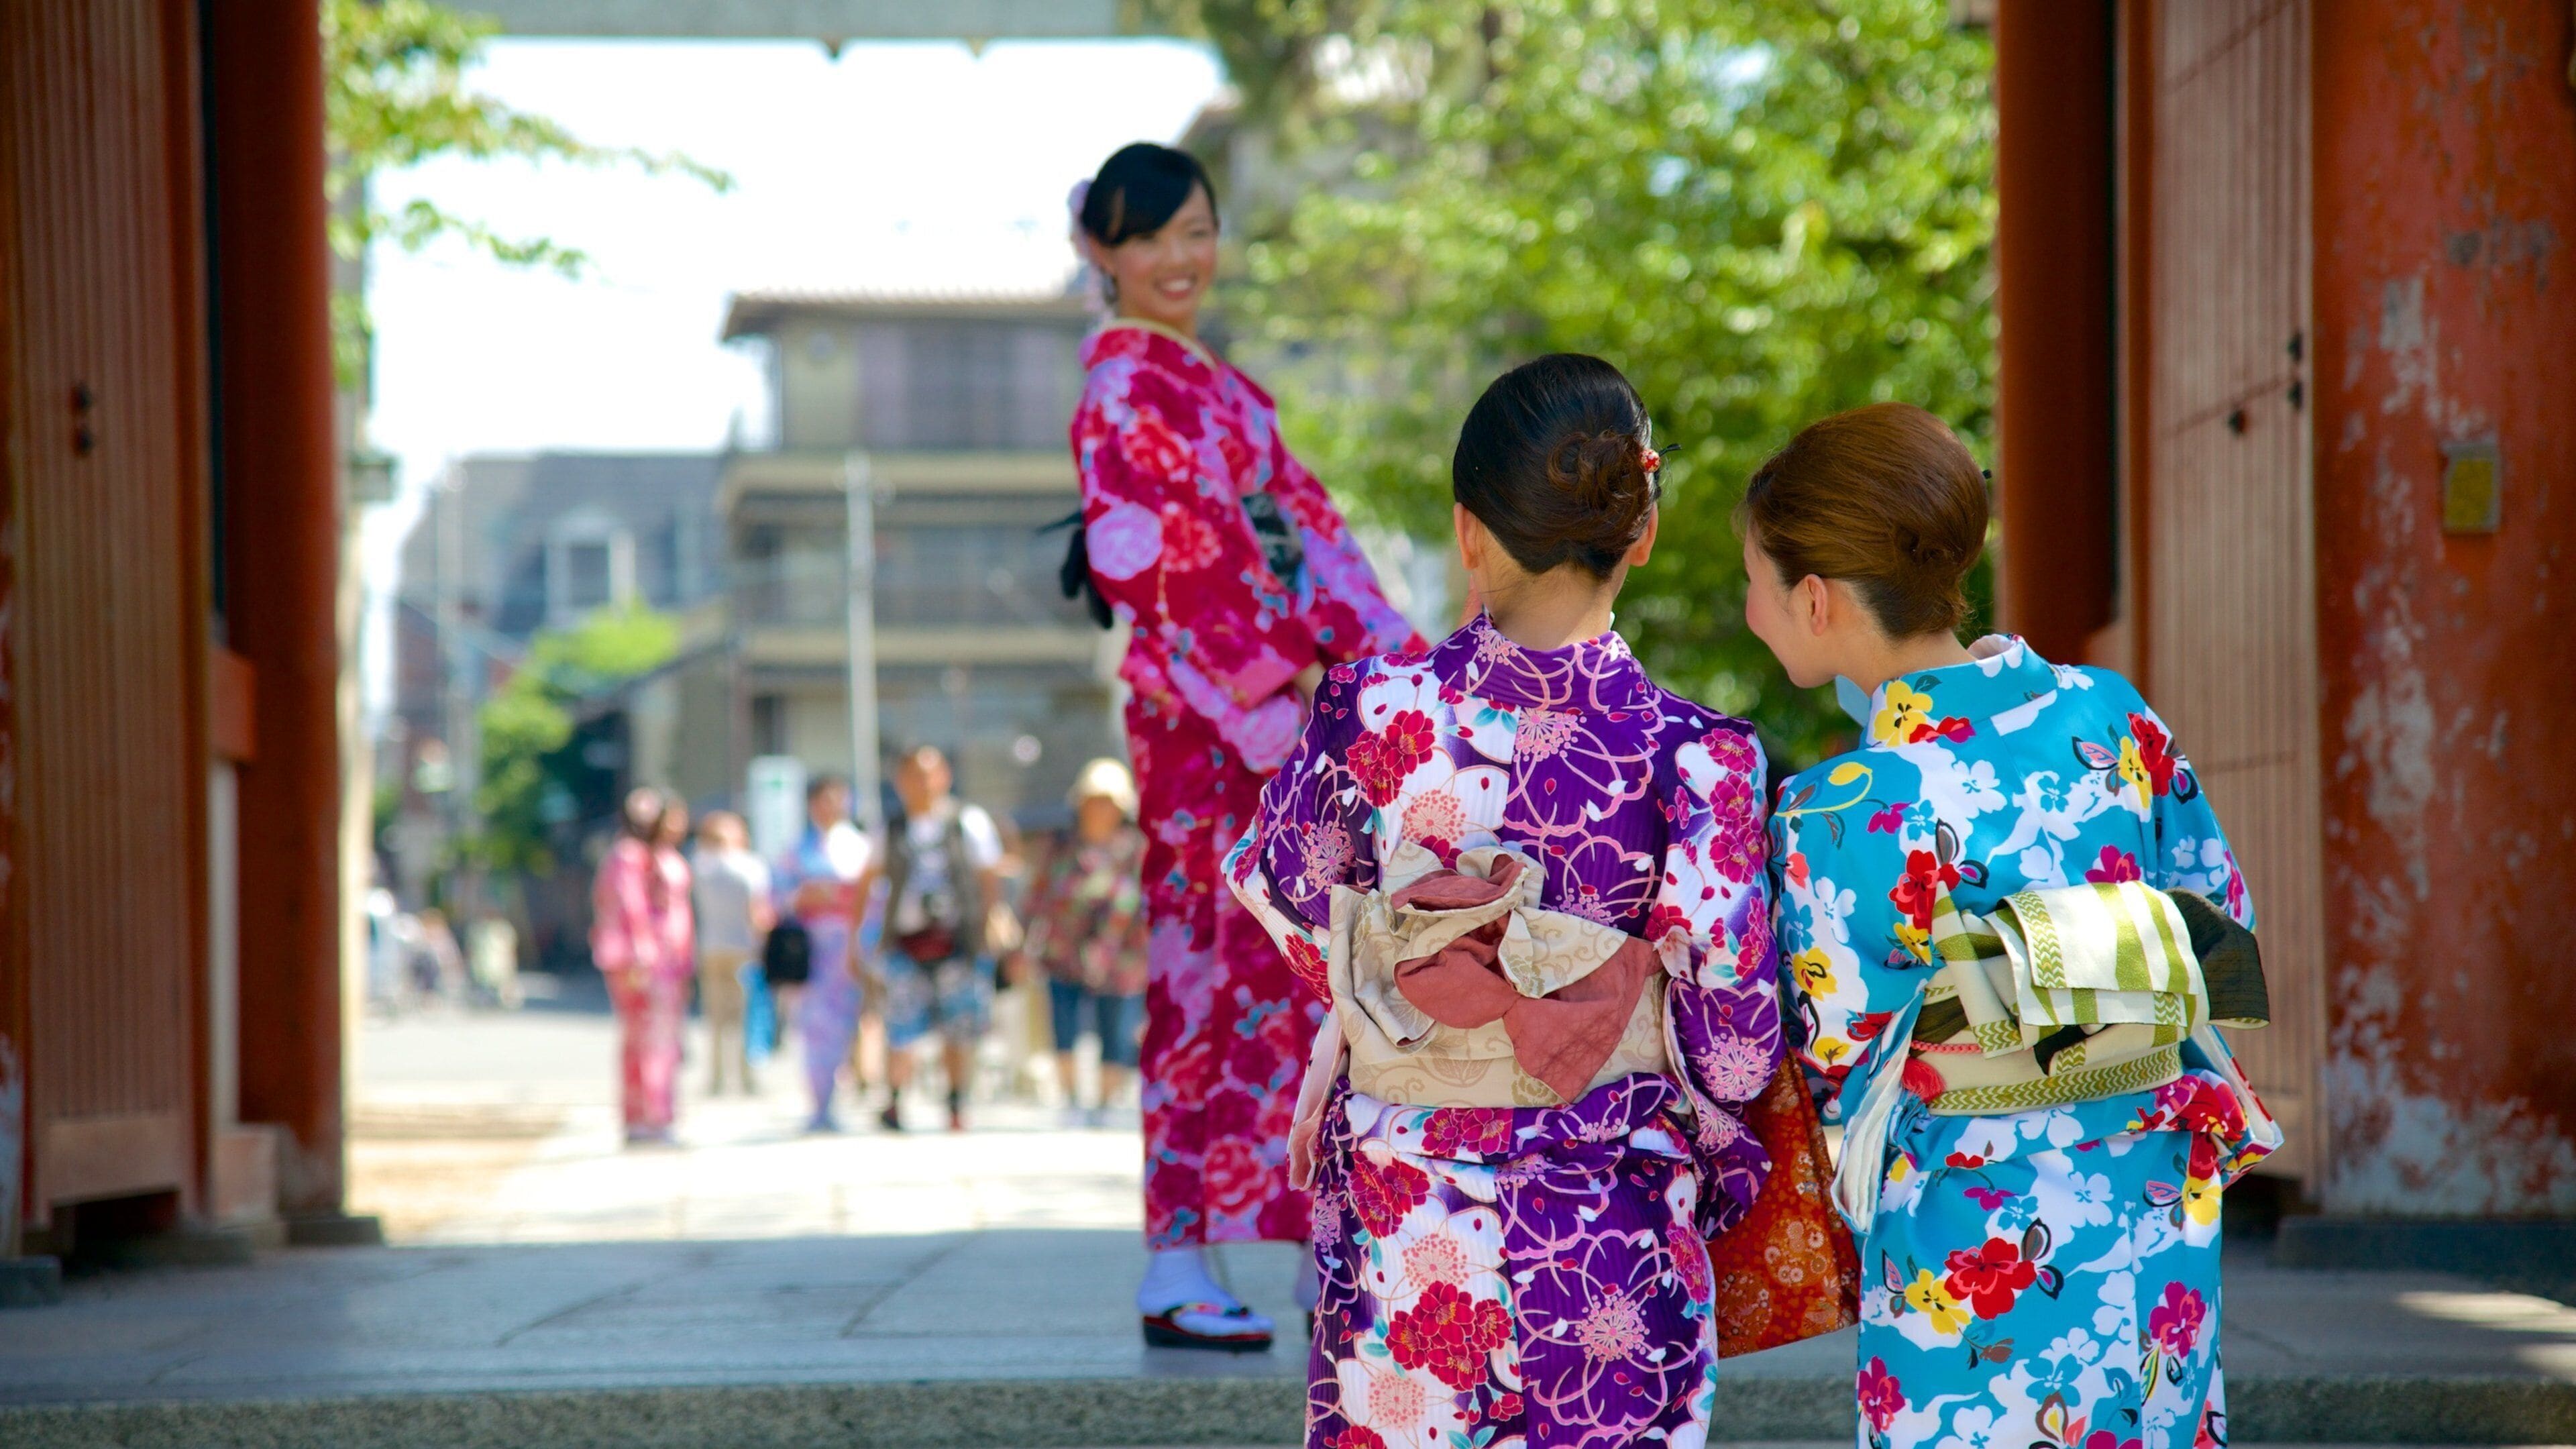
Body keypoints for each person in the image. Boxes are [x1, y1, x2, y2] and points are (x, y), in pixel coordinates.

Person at [1228, 354, 1785, 1440]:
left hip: (1410, 1220)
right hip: (1607, 1227)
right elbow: (1736, 1051)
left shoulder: (1372, 711)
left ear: (1468, 532)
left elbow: (1286, 890)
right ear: (1643, 532)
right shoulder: (1696, 756)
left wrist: (1391, 1008)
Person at [1744, 405, 2275, 1449]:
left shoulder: (1842, 808)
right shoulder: (2112, 719)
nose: (1750, 606)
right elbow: (2219, 920)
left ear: (1813, 600)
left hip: (1973, 1225)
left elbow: (1831, 1046)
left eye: (1756, 581)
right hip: (2146, 1194)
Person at [1069, 140, 1424, 1349]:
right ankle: (1177, 1256)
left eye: (1198, 230)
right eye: (1152, 236)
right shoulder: (1123, 390)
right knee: (1200, 976)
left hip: (1289, 724)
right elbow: (1167, 569)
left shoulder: (1215, 385)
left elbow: (1311, 531)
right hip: (1200, 726)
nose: (1181, 257)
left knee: (1297, 975)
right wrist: (1287, 685)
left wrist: (1395, 666)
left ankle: (1315, 1244)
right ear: (1100, 251)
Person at [878, 745, 1006, 1133]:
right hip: (906, 939)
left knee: (959, 1027)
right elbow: (870, 881)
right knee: (901, 1027)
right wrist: (859, 939)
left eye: (929, 773)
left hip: (958, 939)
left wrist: (988, 925)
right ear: (900, 781)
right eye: (913, 774)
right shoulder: (892, 826)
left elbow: (989, 878)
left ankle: (955, 1104)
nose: (922, 782)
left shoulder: (969, 822)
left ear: (945, 776)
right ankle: (895, 1101)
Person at [1017, 757, 1149, 1125]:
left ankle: (1106, 1104)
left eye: (1108, 801)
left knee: (1116, 1029)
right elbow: (1037, 897)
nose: (1100, 809)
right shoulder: (1060, 846)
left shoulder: (1135, 849)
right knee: (1065, 1025)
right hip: (1063, 952)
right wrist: (1022, 943)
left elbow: (1146, 902)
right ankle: (1072, 1099)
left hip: (1122, 957)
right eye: (1094, 799)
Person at [593, 788, 695, 1146]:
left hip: (666, 958)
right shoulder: (632, 856)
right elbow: (630, 909)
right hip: (649, 960)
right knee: (652, 1039)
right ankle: (651, 1115)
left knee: (653, 1038)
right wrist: (641, 955)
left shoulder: (656, 856)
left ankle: (647, 1115)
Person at [773, 773, 874, 1133]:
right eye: (823, 799)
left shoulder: (861, 847)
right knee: (814, 1026)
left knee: (848, 1023)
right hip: (810, 946)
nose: (831, 806)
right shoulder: (796, 850)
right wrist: (803, 897)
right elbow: (777, 895)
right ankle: (820, 1102)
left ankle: (844, 1090)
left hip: (850, 943)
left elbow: (875, 898)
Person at [690, 809, 774, 1095]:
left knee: (714, 1017)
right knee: (745, 1015)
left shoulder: (699, 865)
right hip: (744, 948)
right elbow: (759, 911)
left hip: (710, 947)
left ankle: (716, 1079)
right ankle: (747, 1078)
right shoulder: (751, 866)